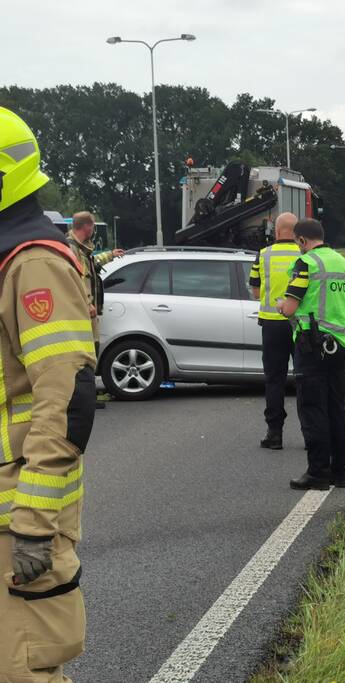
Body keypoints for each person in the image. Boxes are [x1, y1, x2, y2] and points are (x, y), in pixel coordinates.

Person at [0, 107, 97, 682]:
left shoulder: (33, 262)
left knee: (22, 671)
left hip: (18, 520)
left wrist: (35, 523)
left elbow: (66, 401)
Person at [277, 219, 345, 490]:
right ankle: (341, 473)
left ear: (301, 240)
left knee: (313, 410)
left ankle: (318, 473)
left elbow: (290, 308)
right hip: (341, 346)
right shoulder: (344, 264)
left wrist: (280, 304)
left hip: (312, 346)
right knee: (337, 409)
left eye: (296, 243)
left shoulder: (306, 264)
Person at [249, 212, 302, 450]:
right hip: (300, 325)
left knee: (274, 380)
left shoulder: (263, 255)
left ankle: (274, 434)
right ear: (297, 231)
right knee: (305, 379)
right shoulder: (306, 255)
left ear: (277, 231)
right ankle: (309, 435)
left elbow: (256, 293)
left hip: (272, 324)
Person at [66, 211, 124, 409]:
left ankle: (87, 395)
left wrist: (110, 255)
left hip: (85, 311)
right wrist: (87, 302)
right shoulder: (72, 249)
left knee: (91, 352)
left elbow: (92, 265)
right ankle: (84, 398)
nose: (93, 231)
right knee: (85, 355)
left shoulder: (81, 249)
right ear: (87, 227)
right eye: (92, 227)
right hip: (82, 311)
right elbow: (76, 278)